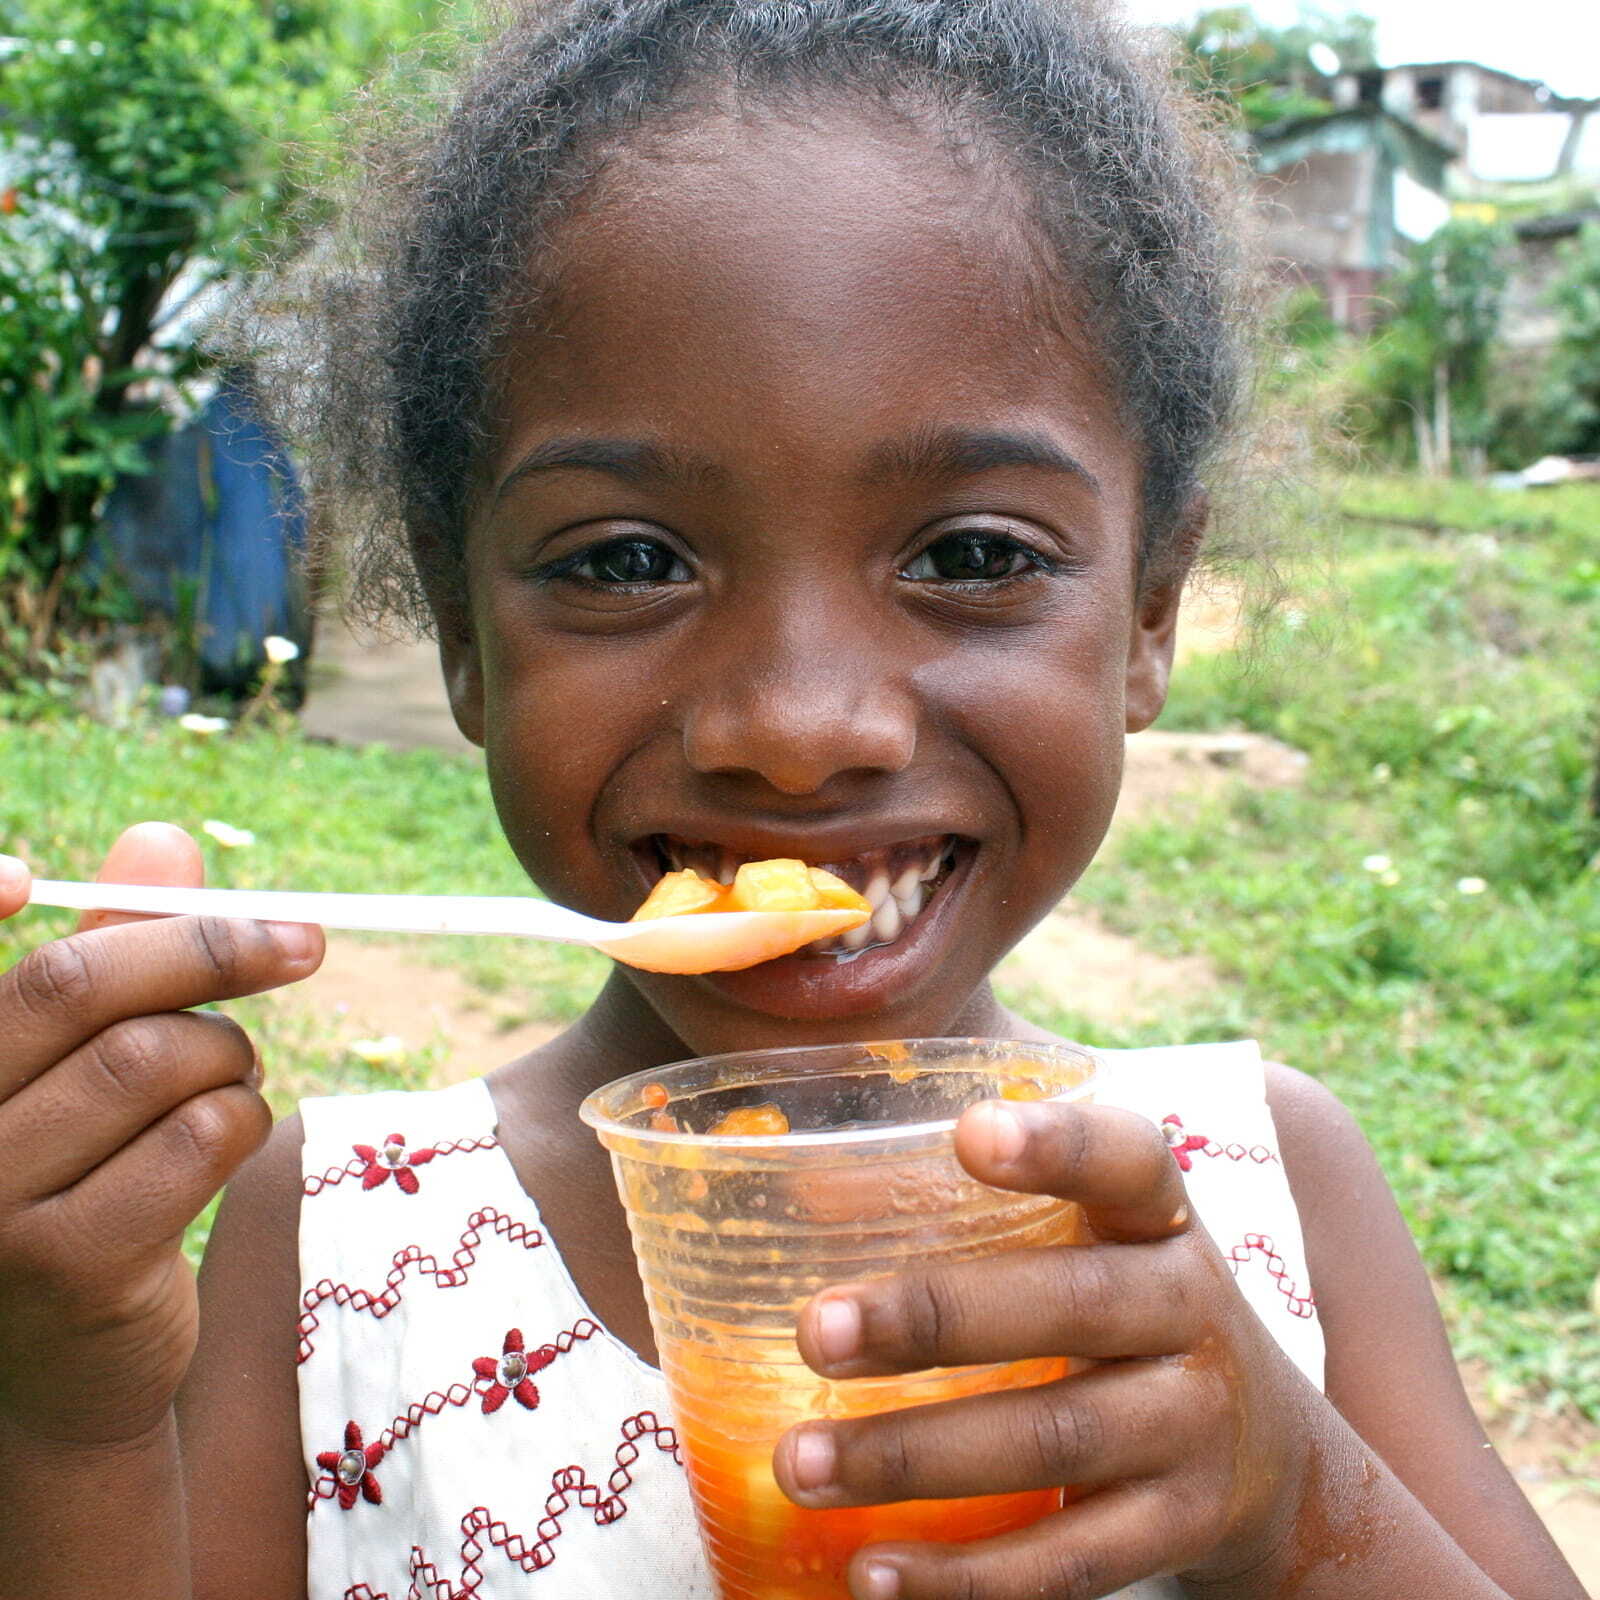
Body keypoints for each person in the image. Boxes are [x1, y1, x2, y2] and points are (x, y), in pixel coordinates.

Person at [0, 1, 1586, 1596]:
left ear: (1149, 619)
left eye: (973, 555)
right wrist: (74, 1421)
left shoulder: (1263, 1189)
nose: (800, 730)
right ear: (467, 637)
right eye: (626, 561)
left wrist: (1291, 1496)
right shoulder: (348, 1243)